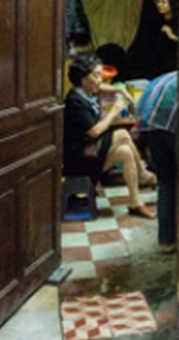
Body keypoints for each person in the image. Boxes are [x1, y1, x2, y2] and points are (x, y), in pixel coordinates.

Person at [64, 54, 156, 218]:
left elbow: (101, 87)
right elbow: (95, 131)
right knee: (122, 134)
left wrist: (120, 89)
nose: (100, 80)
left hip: (91, 151)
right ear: (83, 78)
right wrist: (114, 111)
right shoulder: (75, 102)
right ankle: (143, 174)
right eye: (96, 75)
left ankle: (135, 202)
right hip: (80, 159)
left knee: (125, 152)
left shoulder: (86, 91)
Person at [136, 71, 179, 252]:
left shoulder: (168, 77)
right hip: (168, 125)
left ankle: (166, 241)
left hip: (148, 125)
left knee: (166, 181)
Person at [153, 0, 179, 76]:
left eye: (163, 2)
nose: (159, 5)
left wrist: (171, 35)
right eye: (158, 1)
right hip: (161, 63)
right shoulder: (159, 20)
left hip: (174, 66)